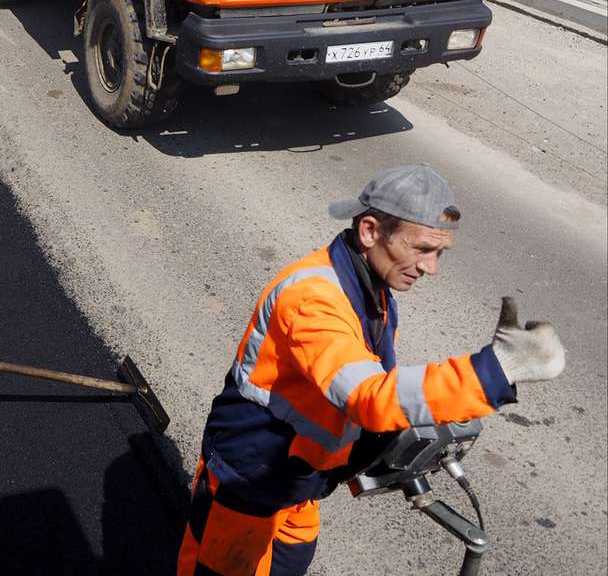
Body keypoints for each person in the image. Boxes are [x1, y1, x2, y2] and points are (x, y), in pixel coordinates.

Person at [177, 165, 565, 576]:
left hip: (299, 481)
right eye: (422, 249)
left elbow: (369, 382)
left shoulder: (371, 289)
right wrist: (493, 371)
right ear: (369, 231)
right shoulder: (313, 300)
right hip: (249, 479)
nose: (431, 267)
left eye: (440, 253)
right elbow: (368, 397)